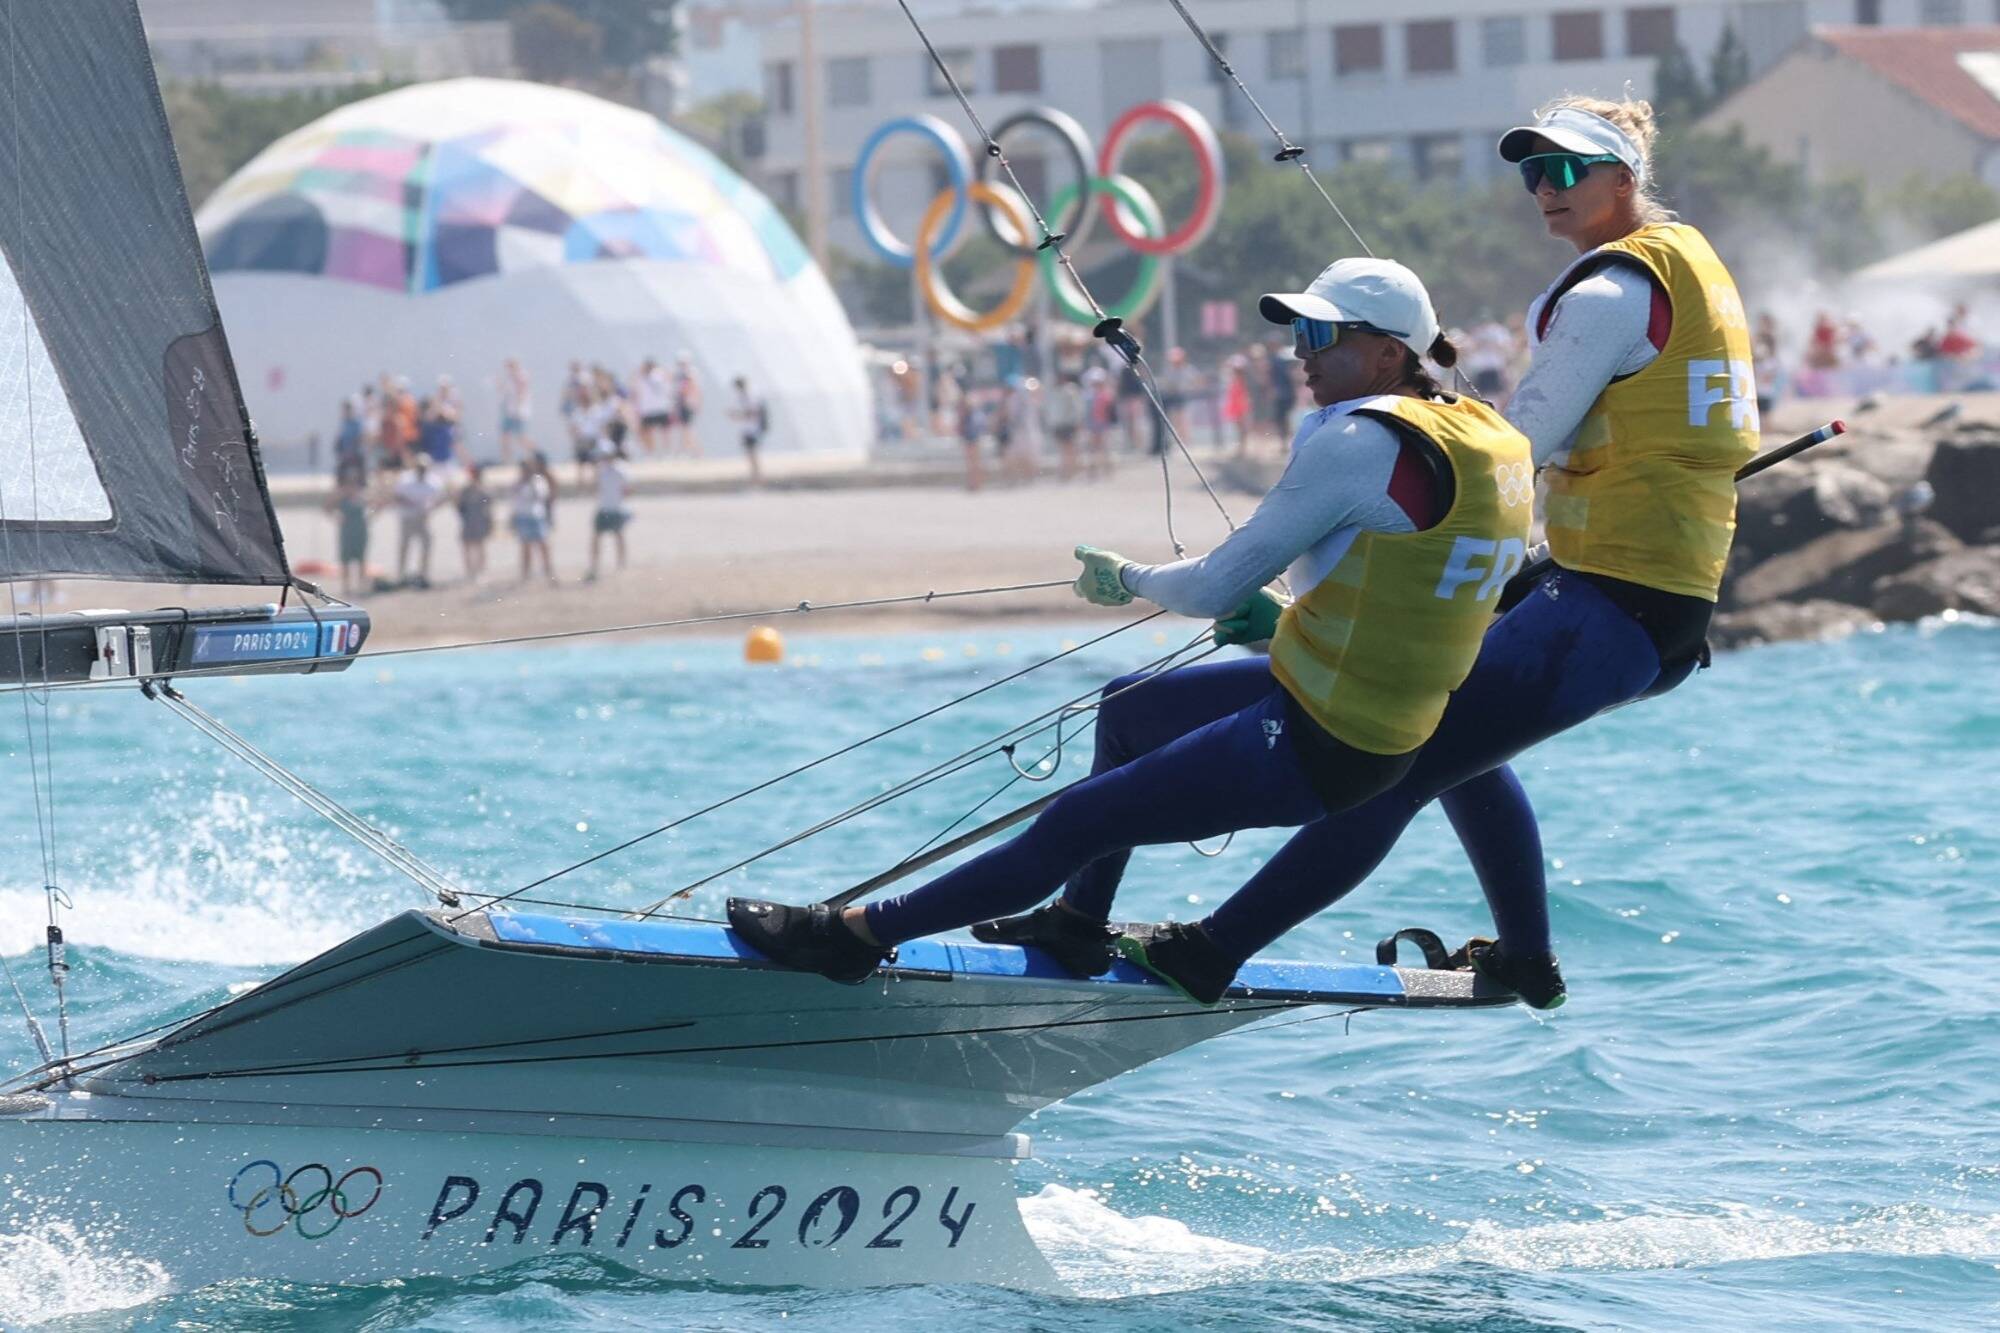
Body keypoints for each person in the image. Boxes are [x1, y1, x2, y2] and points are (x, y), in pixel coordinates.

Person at [726, 258, 1535, 997]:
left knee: (1075, 823)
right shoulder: (1485, 435)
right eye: (1297, 332)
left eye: (1321, 334)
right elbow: (1433, 584)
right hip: (1354, 702)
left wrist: (1128, 579)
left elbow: (1217, 581)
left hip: (1328, 734)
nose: (1300, 351)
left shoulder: (1360, 443)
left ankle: (855, 936)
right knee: (1125, 711)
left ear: (1391, 354)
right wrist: (1283, 622)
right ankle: (1077, 925)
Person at [1127, 95, 1763, 1010]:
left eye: (1568, 168)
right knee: (1454, 730)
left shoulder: (1608, 293)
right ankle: (1528, 958)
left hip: (1616, 603)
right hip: (1642, 594)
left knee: (1403, 763)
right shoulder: (1687, 262)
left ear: (1626, 177)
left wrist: (1399, 518)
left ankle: (1212, 949)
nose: (1545, 186)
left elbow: (1514, 453)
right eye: (1532, 169)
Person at [392, 456, 445, 587]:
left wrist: (431, 507)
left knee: (427, 544)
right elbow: (397, 496)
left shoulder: (434, 481)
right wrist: (413, 504)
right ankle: (401, 574)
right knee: (405, 545)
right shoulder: (406, 479)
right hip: (408, 517)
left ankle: (423, 574)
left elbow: (441, 498)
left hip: (423, 518)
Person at [586, 444, 631, 581]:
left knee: (618, 536)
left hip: (616, 508)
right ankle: (594, 565)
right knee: (597, 537)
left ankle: (621, 564)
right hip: (603, 507)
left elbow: (627, 488)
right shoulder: (601, 470)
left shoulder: (621, 469)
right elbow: (595, 488)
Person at [326, 473, 373, 597]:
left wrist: (371, 516)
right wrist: (336, 517)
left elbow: (376, 504)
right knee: (345, 559)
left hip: (360, 530)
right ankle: (346, 586)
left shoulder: (362, 497)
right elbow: (327, 507)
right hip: (347, 531)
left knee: (361, 558)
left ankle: (361, 585)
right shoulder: (342, 497)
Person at [511, 453, 556, 582]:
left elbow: (542, 496)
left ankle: (548, 571)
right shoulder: (518, 483)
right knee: (526, 547)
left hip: (537, 516)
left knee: (543, 545)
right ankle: (525, 574)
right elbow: (514, 500)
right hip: (523, 516)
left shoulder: (538, 481)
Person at [456, 462, 494, 582]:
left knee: (480, 547)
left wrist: (490, 523)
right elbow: (459, 506)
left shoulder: (483, 490)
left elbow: (488, 507)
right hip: (469, 521)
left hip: (479, 521)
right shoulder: (466, 490)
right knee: (468, 547)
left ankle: (481, 571)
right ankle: (470, 572)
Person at [730, 375, 767, 485]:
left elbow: (752, 413)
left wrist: (737, 415)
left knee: (753, 454)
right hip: (747, 429)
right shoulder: (743, 396)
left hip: (752, 430)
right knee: (750, 454)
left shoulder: (750, 396)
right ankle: (755, 477)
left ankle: (758, 478)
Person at [633, 357, 673, 456]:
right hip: (656, 409)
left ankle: (658, 452)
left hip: (653, 409)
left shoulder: (650, 376)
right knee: (660, 432)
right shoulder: (653, 376)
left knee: (659, 432)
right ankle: (661, 452)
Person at [499, 357, 531, 464]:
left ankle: (533, 456)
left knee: (521, 437)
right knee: (505, 436)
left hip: (518, 413)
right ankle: (506, 460)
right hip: (509, 412)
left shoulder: (520, 377)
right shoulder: (509, 377)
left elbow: (521, 393)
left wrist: (518, 408)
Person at [672, 352, 703, 456]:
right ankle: (689, 450)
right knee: (685, 428)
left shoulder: (690, 373)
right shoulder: (680, 373)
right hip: (682, 403)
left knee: (687, 428)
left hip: (687, 403)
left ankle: (695, 451)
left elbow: (694, 388)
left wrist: (696, 402)